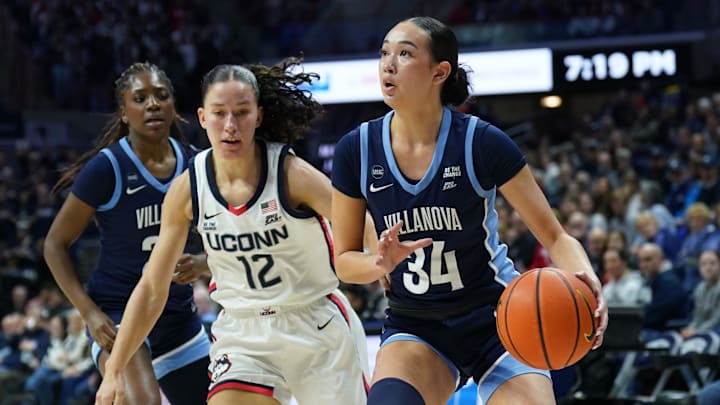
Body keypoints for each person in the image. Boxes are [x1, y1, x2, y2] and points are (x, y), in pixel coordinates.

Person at [330, 16, 608, 405]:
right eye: (384, 53)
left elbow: (555, 236)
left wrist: (587, 280)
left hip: (499, 317)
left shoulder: (482, 142)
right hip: (416, 323)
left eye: (405, 53)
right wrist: (379, 262)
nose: (388, 64)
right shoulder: (355, 150)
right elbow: (343, 262)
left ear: (439, 72)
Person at [94, 59, 372, 405]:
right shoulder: (188, 189)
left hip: (314, 324)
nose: (230, 125)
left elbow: (365, 229)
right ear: (202, 117)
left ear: (258, 116)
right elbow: (152, 286)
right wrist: (116, 367)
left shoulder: (292, 174)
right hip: (243, 334)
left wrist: (383, 264)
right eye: (219, 113)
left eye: (241, 112)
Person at [43, 62, 211, 405]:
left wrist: (205, 262)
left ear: (173, 106)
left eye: (161, 96)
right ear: (124, 112)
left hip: (177, 318)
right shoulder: (107, 167)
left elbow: (226, 236)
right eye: (140, 98)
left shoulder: (195, 164)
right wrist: (88, 312)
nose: (152, 104)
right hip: (118, 313)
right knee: (143, 401)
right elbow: (54, 245)